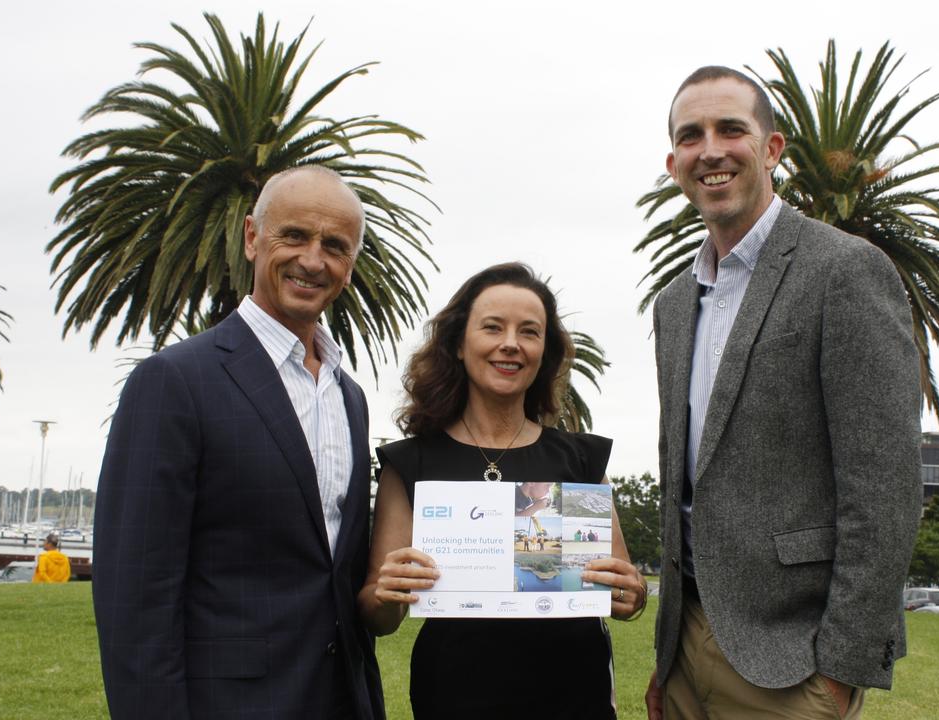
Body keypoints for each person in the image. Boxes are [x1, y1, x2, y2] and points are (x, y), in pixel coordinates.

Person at [645, 67, 922, 720]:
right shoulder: (673, 304)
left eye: (730, 129)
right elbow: (680, 486)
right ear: (674, 162)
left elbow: (884, 488)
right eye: (691, 136)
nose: (710, 149)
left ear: (771, 149)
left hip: (792, 668)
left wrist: (840, 672)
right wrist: (666, 659)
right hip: (684, 652)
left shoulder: (844, 272)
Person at [93, 166, 384, 720]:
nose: (312, 260)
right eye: (294, 235)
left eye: (335, 245)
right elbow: (134, 600)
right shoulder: (175, 381)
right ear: (252, 237)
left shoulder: (350, 397)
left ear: (350, 265)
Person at [358, 263, 647, 720]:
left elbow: (623, 589)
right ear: (458, 343)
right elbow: (378, 613)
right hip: (455, 695)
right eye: (493, 327)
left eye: (529, 332)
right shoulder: (411, 463)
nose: (510, 343)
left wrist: (632, 594)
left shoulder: (581, 461)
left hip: (576, 694)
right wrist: (387, 592)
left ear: (543, 352)